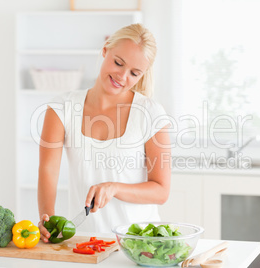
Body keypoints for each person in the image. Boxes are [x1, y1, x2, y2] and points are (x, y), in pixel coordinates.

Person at [37, 23, 171, 242]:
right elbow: (48, 170)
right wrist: (47, 217)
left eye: (134, 73)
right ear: (105, 49)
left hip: (137, 244)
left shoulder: (151, 113)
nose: (122, 76)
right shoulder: (62, 107)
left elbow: (161, 191)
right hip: (82, 242)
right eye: (118, 63)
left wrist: (114, 188)